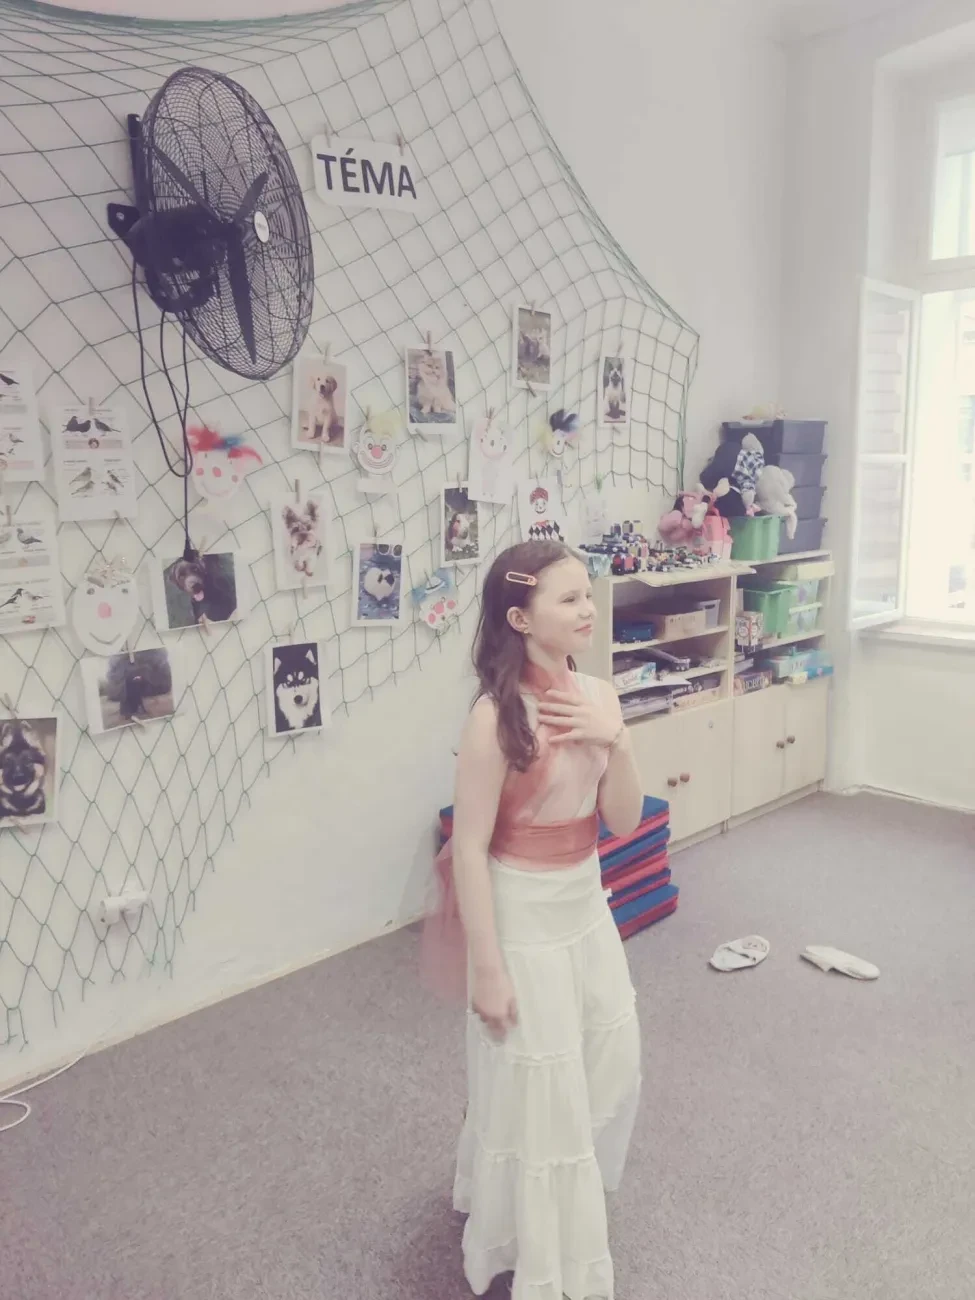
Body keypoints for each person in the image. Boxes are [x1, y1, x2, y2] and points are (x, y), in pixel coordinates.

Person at [431, 540, 644, 1300]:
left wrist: (615, 739)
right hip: (521, 911)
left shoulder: (600, 694)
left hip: (584, 902)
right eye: (568, 599)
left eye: (587, 594)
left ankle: (553, 1190)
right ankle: (539, 1243)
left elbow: (624, 820)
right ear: (520, 618)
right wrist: (488, 969)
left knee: (611, 1053)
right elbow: (469, 849)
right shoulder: (494, 718)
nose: (588, 609)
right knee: (539, 1082)